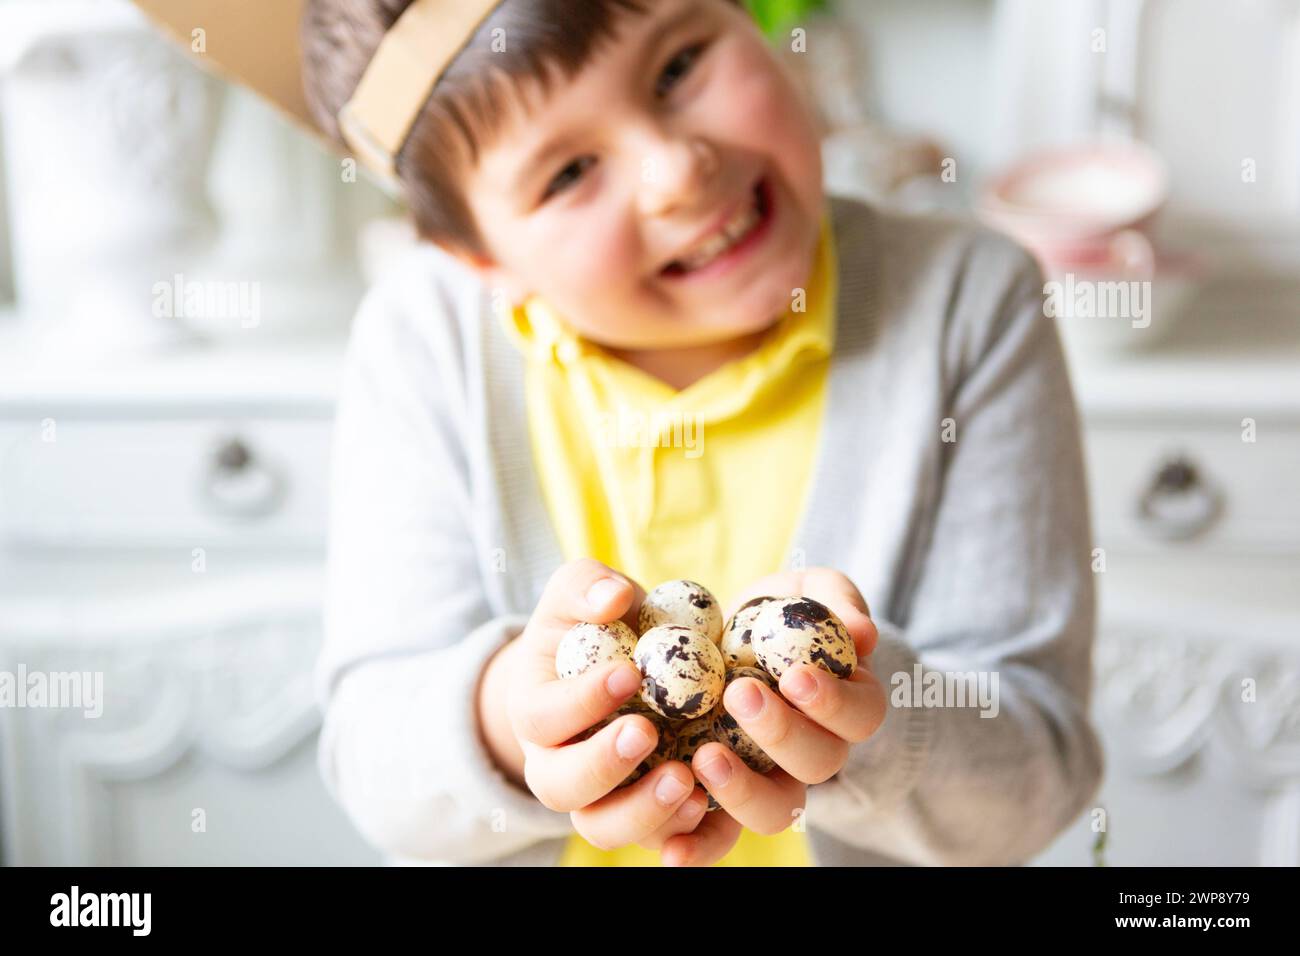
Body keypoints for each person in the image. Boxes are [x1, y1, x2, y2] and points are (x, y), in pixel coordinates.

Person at [302, 0, 1105, 866]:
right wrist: (513, 724)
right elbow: (374, 764)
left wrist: (866, 727)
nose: (677, 170)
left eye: (678, 66)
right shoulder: (427, 341)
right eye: (569, 172)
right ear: (482, 260)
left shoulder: (966, 304)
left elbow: (1038, 777)